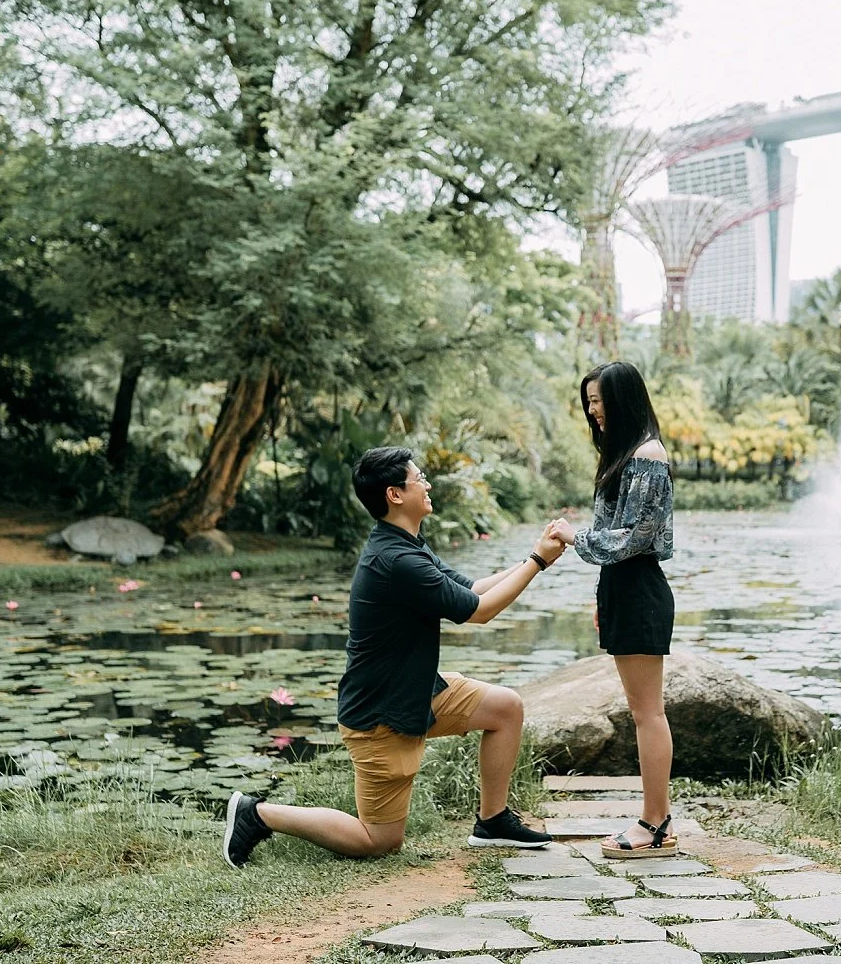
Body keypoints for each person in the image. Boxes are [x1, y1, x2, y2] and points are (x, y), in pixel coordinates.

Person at [222, 446, 568, 867]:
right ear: (394, 495)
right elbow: (480, 613)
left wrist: (534, 557)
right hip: (380, 714)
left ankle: (492, 821)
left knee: (505, 708)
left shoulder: (405, 544)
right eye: (419, 477)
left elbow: (472, 588)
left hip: (419, 691)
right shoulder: (396, 559)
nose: (428, 483)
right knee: (379, 840)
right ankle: (257, 813)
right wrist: (537, 561)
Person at [549, 361, 677, 859]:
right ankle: (655, 817)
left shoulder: (647, 455)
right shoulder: (627, 453)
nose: (593, 411)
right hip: (624, 589)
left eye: (598, 401)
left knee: (649, 714)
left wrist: (572, 535)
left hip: (640, 587)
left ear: (622, 399)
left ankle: (655, 823)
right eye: (588, 403)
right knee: (643, 711)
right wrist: (605, 598)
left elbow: (633, 539)